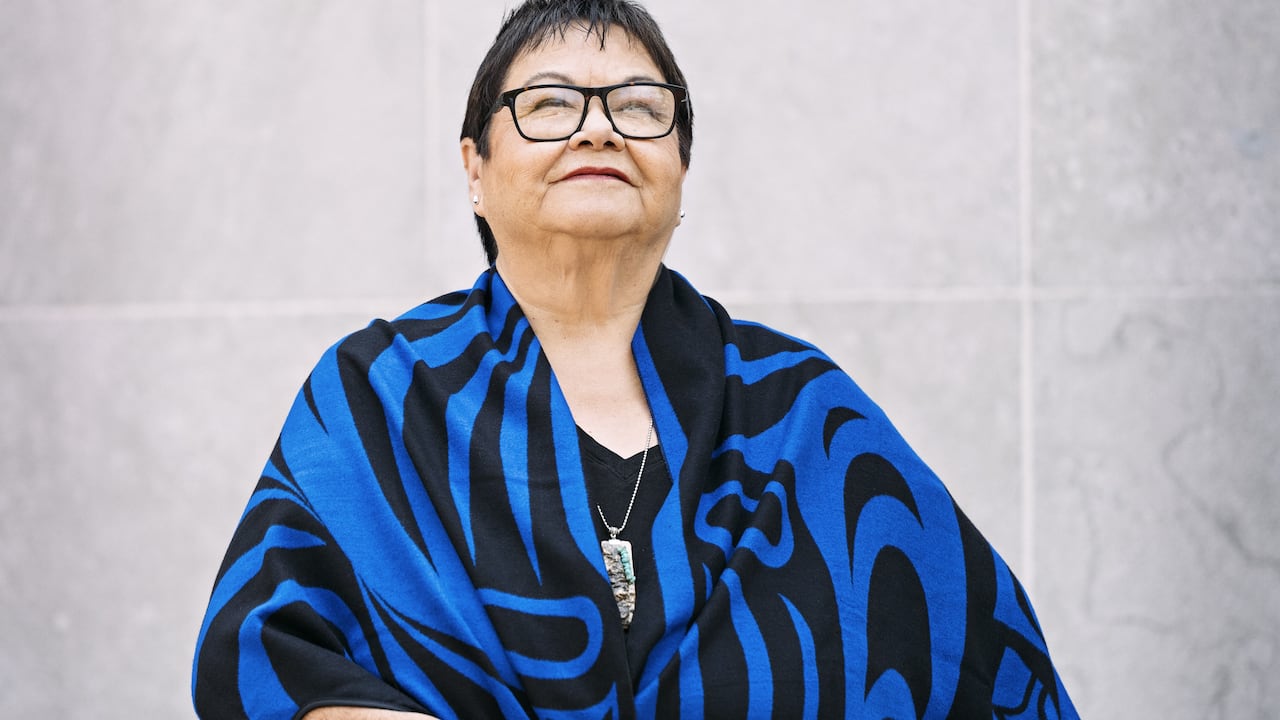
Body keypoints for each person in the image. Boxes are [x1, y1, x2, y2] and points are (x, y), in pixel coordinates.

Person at [192, 1, 1079, 718]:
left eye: (640, 108)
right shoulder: (379, 395)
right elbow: (263, 653)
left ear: (680, 171)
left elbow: (989, 665)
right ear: (475, 169)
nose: (598, 131)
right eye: (549, 105)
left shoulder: (804, 413)